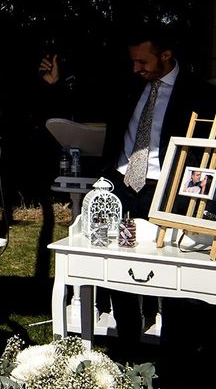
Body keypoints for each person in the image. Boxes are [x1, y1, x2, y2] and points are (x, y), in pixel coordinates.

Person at [40, 24, 216, 386]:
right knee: (116, 272)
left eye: (143, 61)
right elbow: (89, 95)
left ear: (166, 55)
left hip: (167, 193)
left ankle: (173, 363)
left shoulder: (200, 94)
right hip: (122, 189)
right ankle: (128, 351)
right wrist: (59, 84)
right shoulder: (128, 86)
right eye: (133, 61)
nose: (136, 68)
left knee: (171, 277)